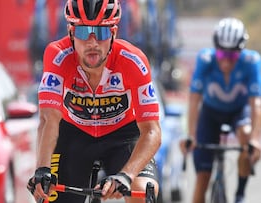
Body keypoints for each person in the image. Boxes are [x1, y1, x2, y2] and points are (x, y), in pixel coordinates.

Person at [26, 0, 162, 203]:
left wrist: (126, 175)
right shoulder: (57, 56)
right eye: (83, 33)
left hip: (122, 135)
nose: (92, 43)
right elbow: (49, 119)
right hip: (74, 135)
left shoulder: (134, 60)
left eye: (101, 33)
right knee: (48, 196)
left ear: (113, 33)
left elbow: (152, 131)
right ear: (71, 32)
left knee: (142, 193)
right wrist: (42, 168)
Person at [180, 17, 261, 203]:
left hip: (238, 112)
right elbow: (194, 100)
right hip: (210, 114)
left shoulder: (252, 61)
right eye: (221, 55)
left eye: (232, 56)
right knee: (202, 179)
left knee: (246, 134)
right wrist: (191, 135)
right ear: (215, 49)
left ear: (241, 51)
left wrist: (255, 140)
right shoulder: (205, 59)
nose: (226, 62)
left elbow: (256, 103)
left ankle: (240, 194)